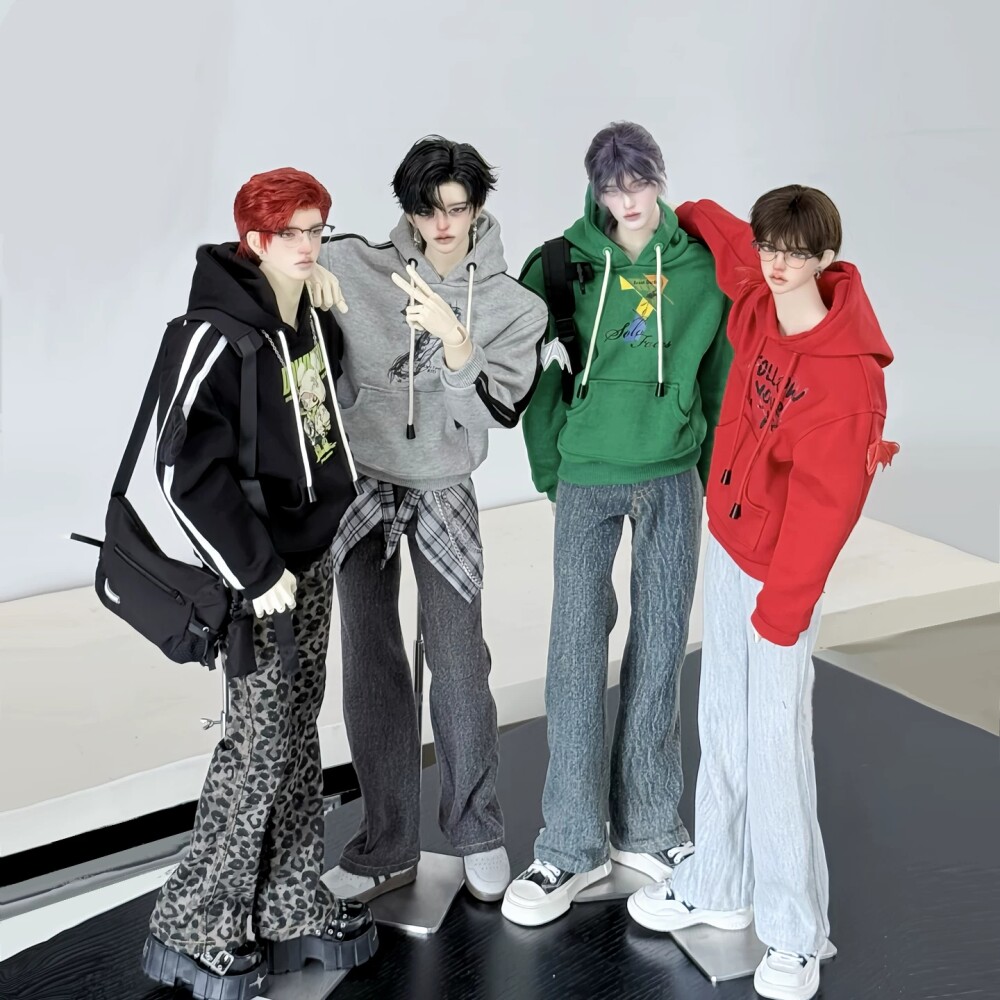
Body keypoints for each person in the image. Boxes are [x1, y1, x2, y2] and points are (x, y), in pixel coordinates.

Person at [625, 186, 897, 1000]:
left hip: (782, 583)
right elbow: (731, 241)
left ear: (826, 258)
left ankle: (794, 933)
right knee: (721, 726)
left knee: (775, 749)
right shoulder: (757, 299)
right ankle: (719, 882)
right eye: (772, 248)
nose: (777, 264)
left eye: (794, 253)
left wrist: (781, 613)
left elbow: (825, 513)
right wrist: (675, 206)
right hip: (732, 548)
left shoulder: (847, 383)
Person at [142, 167, 377, 999]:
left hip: (309, 558)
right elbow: (178, 471)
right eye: (292, 234)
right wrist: (256, 569)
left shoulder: (304, 315)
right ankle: (193, 922)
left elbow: (312, 421)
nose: (310, 246)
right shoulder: (212, 334)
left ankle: (287, 898)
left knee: (296, 732)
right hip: (258, 576)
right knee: (257, 744)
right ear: (255, 241)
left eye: (317, 230)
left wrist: (328, 316)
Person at [501, 122, 732, 927]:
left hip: (672, 476)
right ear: (595, 188)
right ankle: (570, 843)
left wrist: (708, 476)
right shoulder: (559, 265)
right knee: (573, 652)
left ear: (660, 179)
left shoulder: (701, 268)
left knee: (662, 645)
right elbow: (533, 380)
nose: (627, 202)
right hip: (587, 478)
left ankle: (650, 828)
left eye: (640, 184)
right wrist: (552, 471)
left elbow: (717, 378)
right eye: (612, 187)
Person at [309, 136, 549, 904]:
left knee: (459, 662)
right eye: (427, 209)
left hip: (445, 487)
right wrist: (300, 270)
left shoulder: (515, 307)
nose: (443, 225)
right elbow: (244, 258)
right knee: (370, 664)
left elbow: (493, 413)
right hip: (363, 484)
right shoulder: (354, 264)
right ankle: (385, 845)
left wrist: (456, 344)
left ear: (477, 207)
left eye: (457, 208)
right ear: (407, 210)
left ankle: (478, 830)